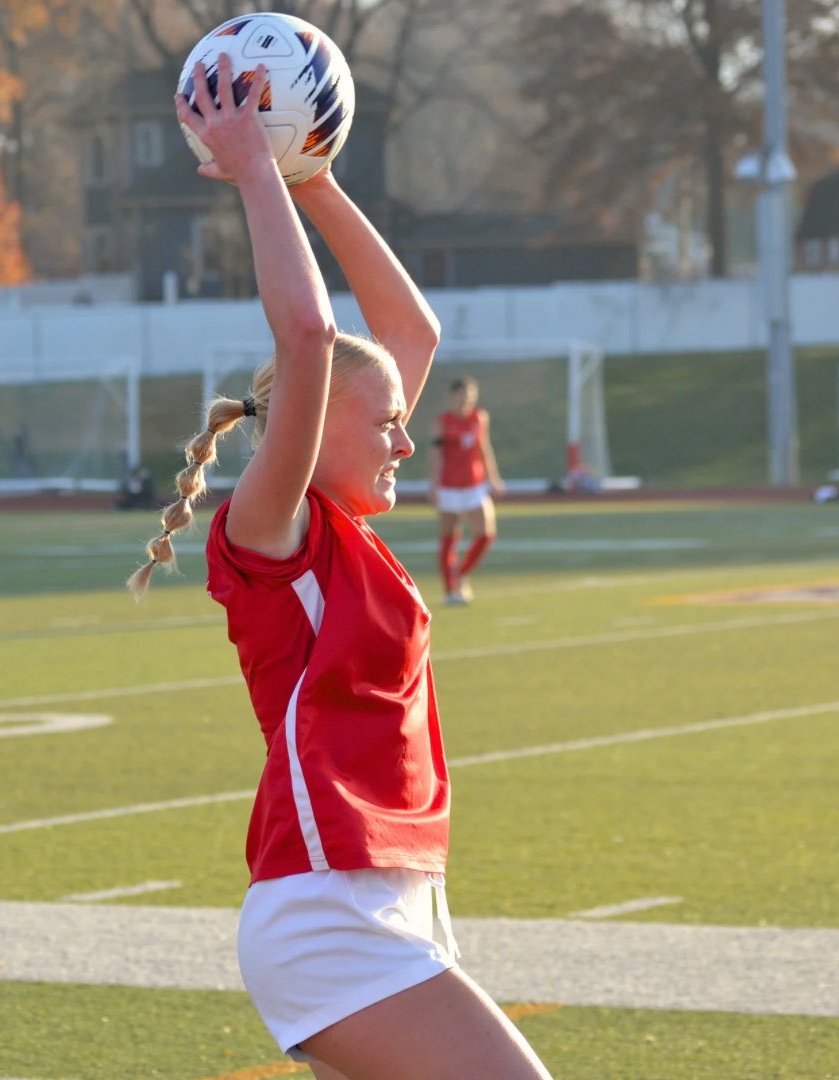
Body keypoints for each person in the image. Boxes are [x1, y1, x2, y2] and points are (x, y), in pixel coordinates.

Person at [128, 54, 553, 1080]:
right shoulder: (272, 530)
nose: (407, 441)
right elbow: (312, 333)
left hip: (398, 897)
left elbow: (411, 330)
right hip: (329, 907)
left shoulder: (348, 530)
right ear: (314, 427)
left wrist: (311, 172)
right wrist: (253, 170)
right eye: (387, 424)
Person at [428, 376, 505, 605]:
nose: (465, 399)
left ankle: (461, 574)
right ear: (452, 396)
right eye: (461, 394)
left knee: (486, 535)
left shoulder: (479, 418)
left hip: (475, 485)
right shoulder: (442, 421)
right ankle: (450, 590)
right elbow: (434, 455)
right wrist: (433, 485)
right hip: (449, 487)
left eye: (470, 395)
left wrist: (493, 478)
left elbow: (484, 448)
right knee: (449, 537)